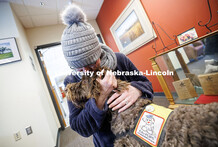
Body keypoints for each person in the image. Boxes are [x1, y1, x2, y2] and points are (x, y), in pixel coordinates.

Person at [61, 4, 154, 147]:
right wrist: (101, 96)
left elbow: (147, 84)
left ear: (98, 52)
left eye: (91, 63)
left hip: (143, 131)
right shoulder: (71, 82)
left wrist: (137, 89)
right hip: (109, 142)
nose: (87, 72)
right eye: (79, 69)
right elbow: (80, 127)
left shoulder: (120, 60)